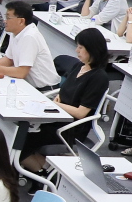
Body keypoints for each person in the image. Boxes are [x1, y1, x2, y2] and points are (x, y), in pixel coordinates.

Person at [21, 25, 112, 171]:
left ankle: (41, 172)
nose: (77, 51)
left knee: (23, 139)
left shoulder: (99, 78)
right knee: (21, 129)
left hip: (70, 128)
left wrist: (57, 104)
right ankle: (39, 169)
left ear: (93, 49)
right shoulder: (79, 66)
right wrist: (58, 100)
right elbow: (63, 92)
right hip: (57, 117)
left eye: (81, 48)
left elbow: (81, 113)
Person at [0, 1, 59, 92]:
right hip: (27, 85)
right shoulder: (16, 32)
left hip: (44, 90)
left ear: (21, 21)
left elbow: (21, 73)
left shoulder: (29, 36)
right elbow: (9, 59)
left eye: (8, 18)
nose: (5, 21)